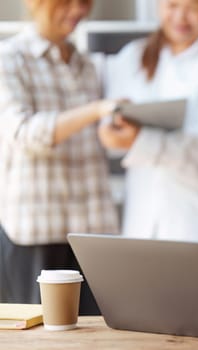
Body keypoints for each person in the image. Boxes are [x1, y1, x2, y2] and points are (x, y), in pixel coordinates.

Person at [98, 0, 198, 313]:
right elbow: (112, 133)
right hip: (146, 229)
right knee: (149, 335)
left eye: (193, 7)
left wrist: (141, 139)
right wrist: (112, 133)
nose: (181, 17)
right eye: (172, 5)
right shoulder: (131, 57)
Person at [0, 0, 119, 315]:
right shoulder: (9, 59)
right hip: (36, 231)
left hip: (92, 231)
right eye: (66, 1)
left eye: (84, 2)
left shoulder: (86, 65)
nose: (78, 9)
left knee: (99, 336)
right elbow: (24, 133)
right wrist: (96, 110)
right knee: (42, 336)